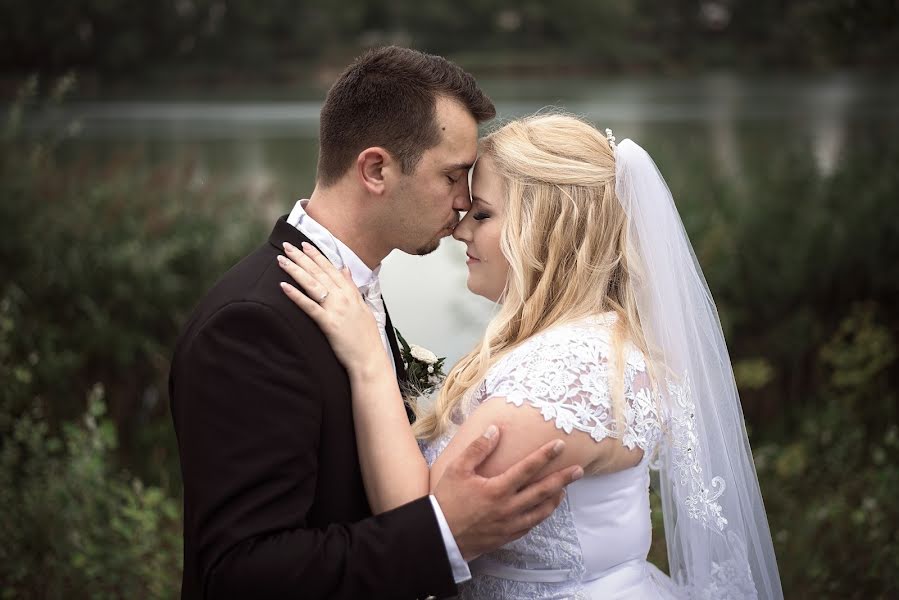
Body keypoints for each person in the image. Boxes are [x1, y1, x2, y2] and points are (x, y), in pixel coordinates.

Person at [278, 113, 785, 598]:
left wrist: (369, 359)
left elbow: (420, 528)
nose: (459, 230)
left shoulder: (566, 374)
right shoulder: (581, 341)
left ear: (545, 224)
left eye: (482, 213)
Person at [168, 48, 583, 600]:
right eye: (453, 176)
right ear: (376, 169)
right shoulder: (252, 325)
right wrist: (442, 534)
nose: (464, 203)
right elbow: (241, 573)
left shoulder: (349, 291)